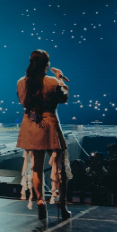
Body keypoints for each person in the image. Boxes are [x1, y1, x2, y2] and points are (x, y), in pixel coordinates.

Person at [16, 49, 71, 219]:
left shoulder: (21, 82)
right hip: (50, 126)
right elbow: (64, 98)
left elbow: (22, 101)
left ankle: (40, 201)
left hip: (31, 125)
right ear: (47, 64)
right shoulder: (52, 82)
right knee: (59, 168)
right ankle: (61, 203)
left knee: (36, 168)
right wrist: (60, 79)